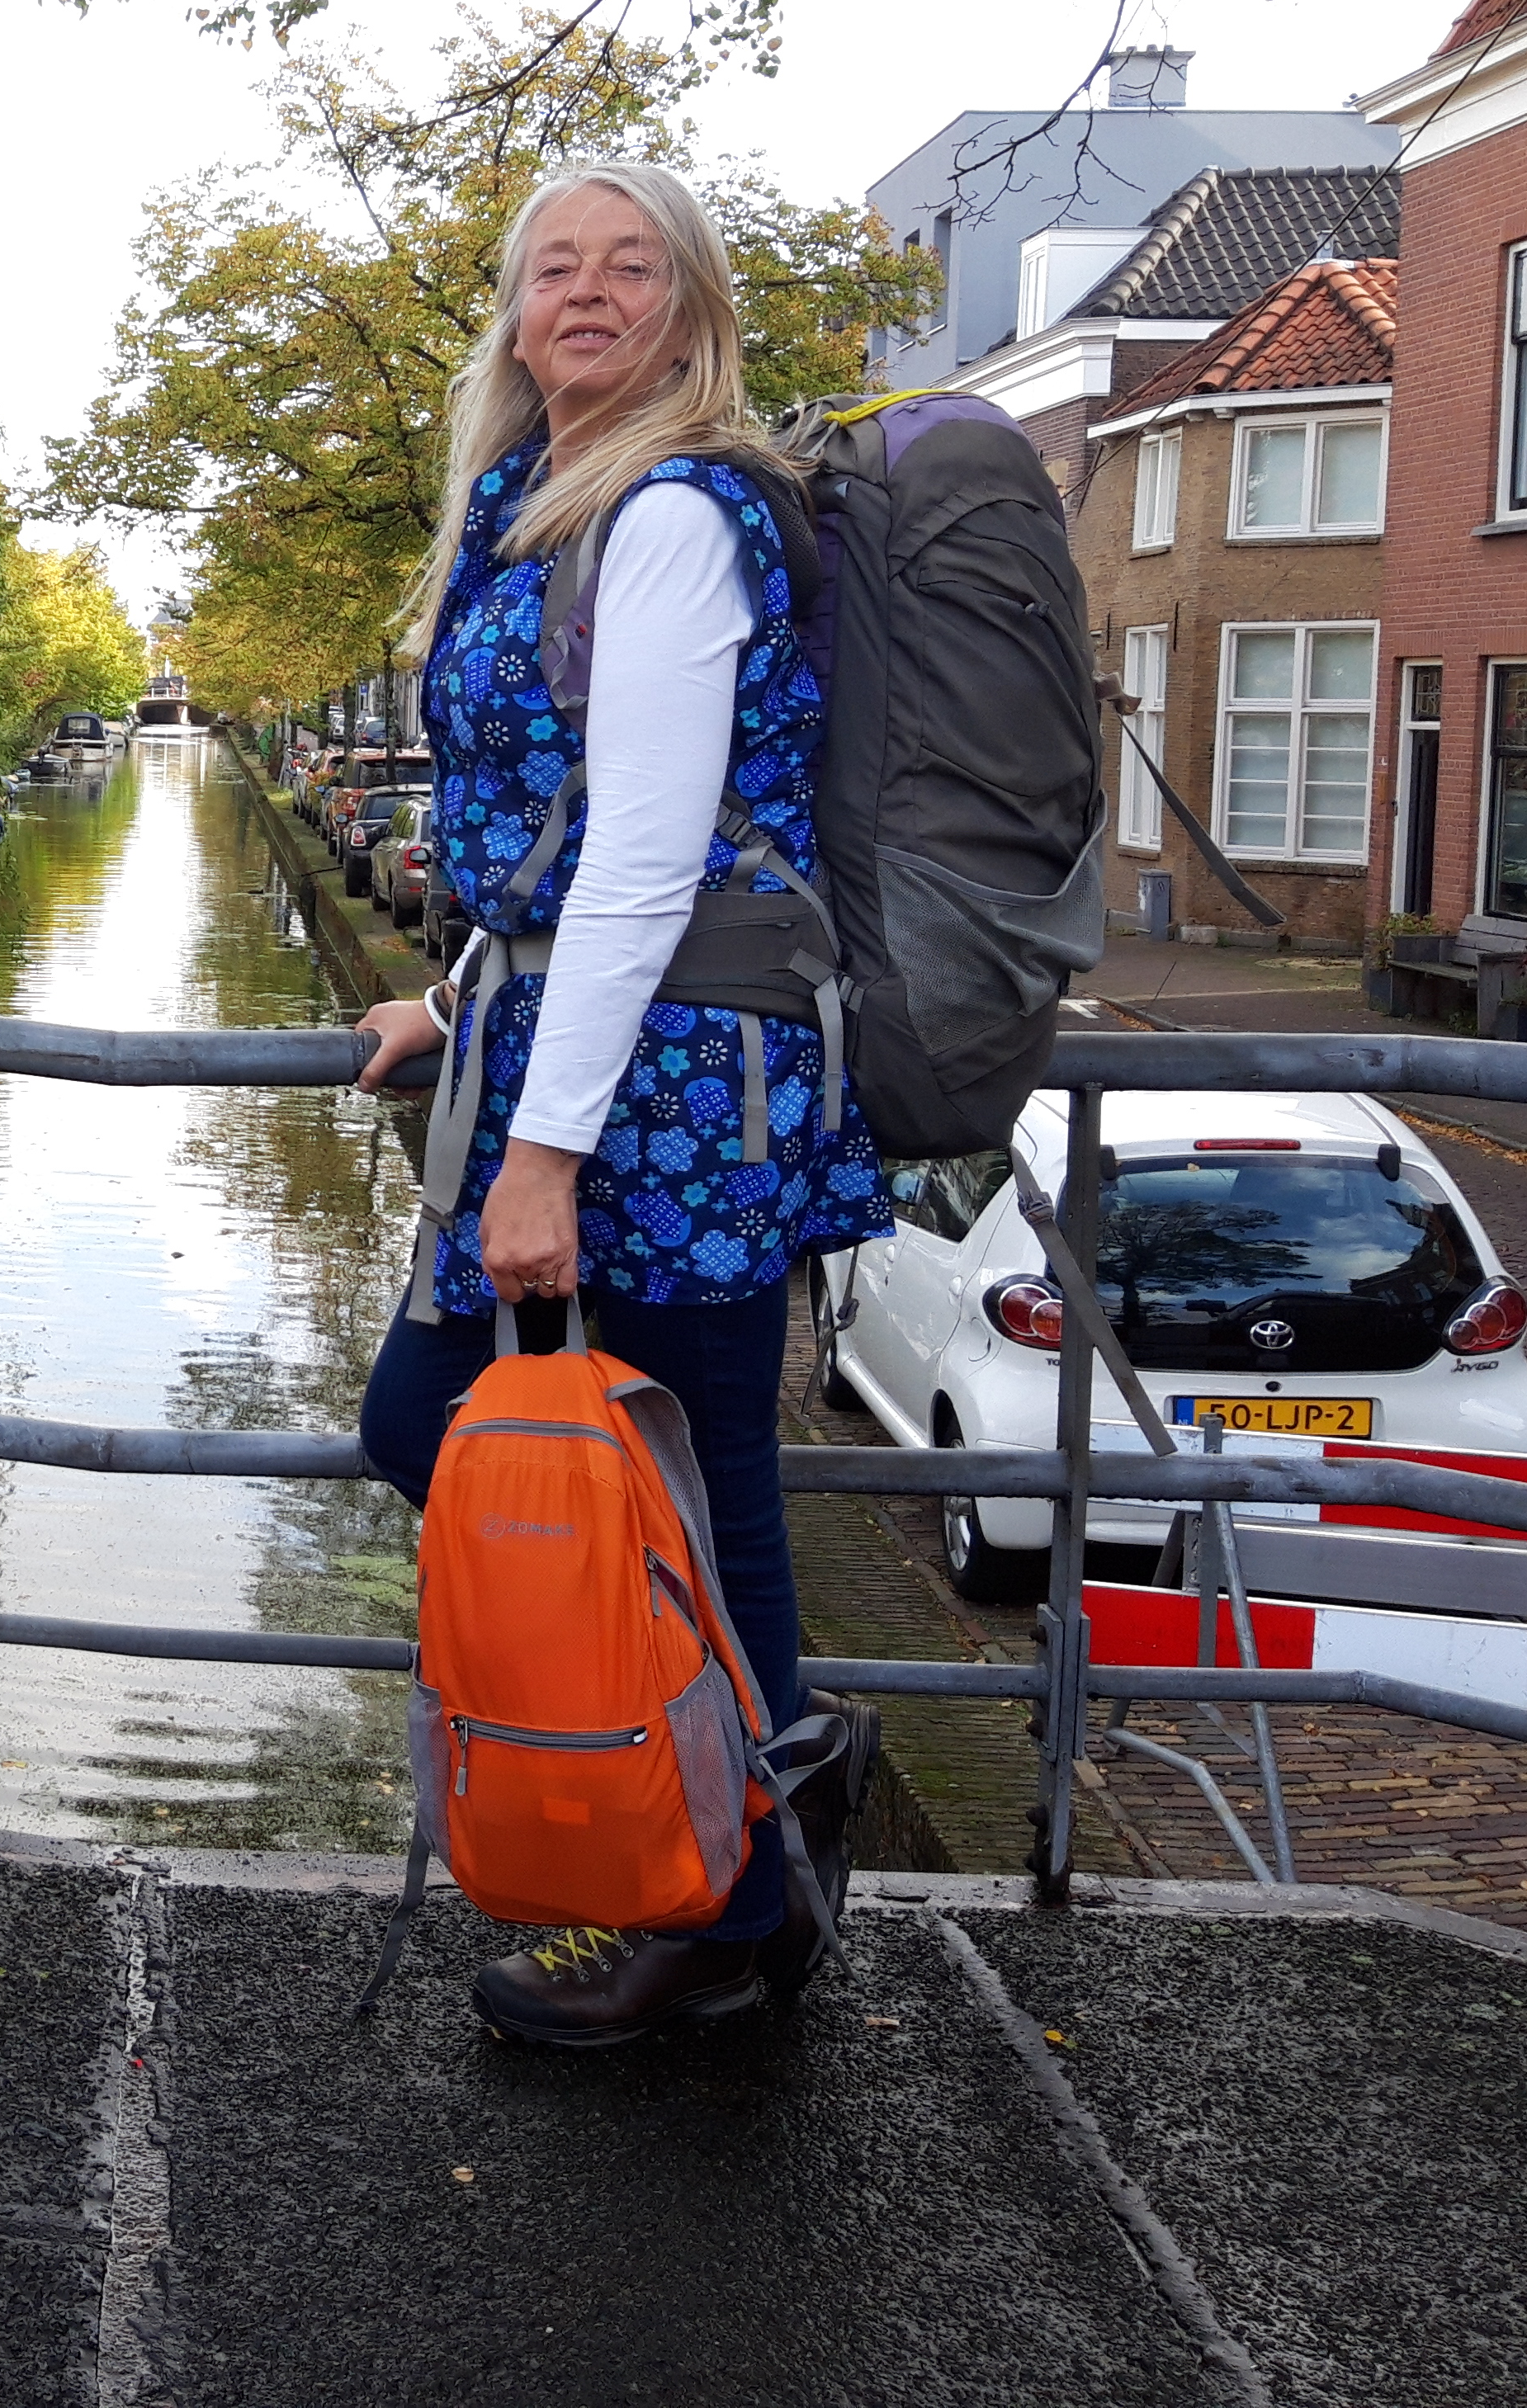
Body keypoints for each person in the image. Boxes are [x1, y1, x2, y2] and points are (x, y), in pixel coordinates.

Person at [352, 161, 886, 2047]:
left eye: (628, 266)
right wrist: (451, 1000)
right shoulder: (539, 509)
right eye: (552, 268)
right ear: (513, 315)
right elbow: (562, 847)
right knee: (680, 1475)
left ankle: (732, 1894)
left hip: (669, 1084)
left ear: (687, 307)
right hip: (604, 1044)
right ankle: (763, 1830)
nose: (585, 292)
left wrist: (550, 1149)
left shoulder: (668, 513)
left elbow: (651, 860)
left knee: (542, 1446)